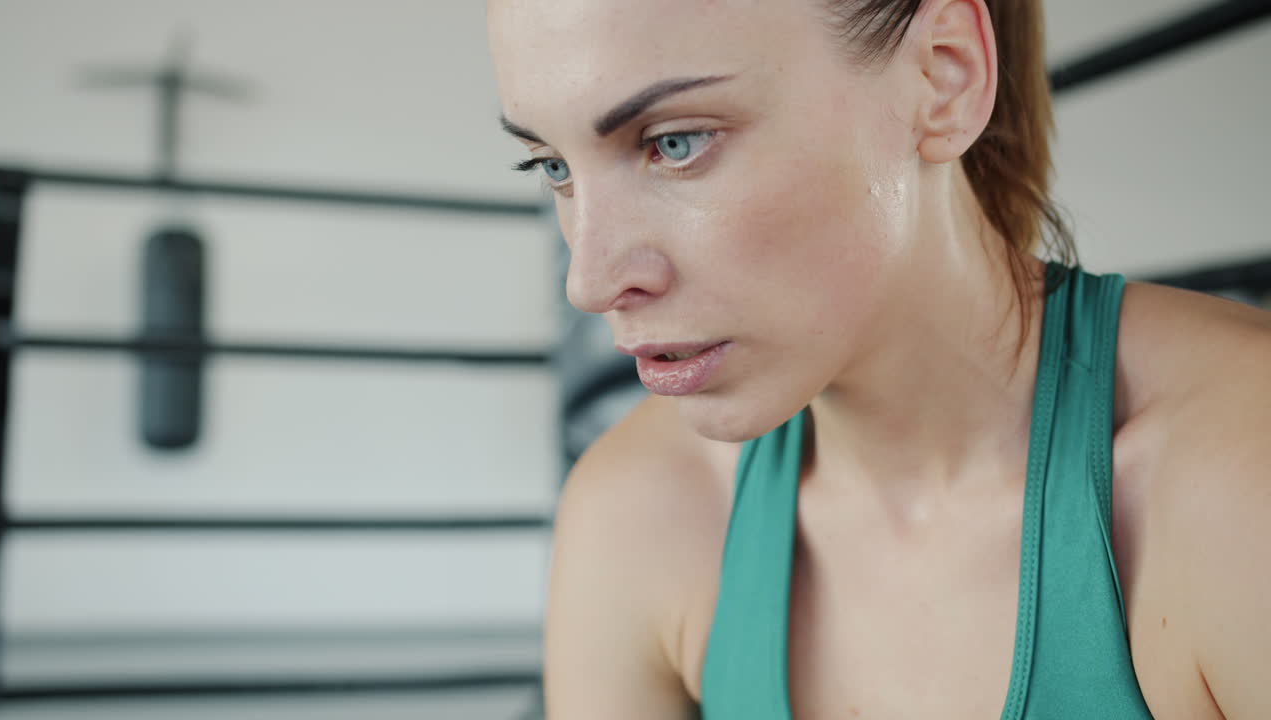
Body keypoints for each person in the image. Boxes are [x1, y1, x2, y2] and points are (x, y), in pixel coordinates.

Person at [488, 0, 1271, 717]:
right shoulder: (640, 512)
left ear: (943, 76)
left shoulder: (1239, 483)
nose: (588, 281)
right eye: (551, 165)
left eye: (675, 143)